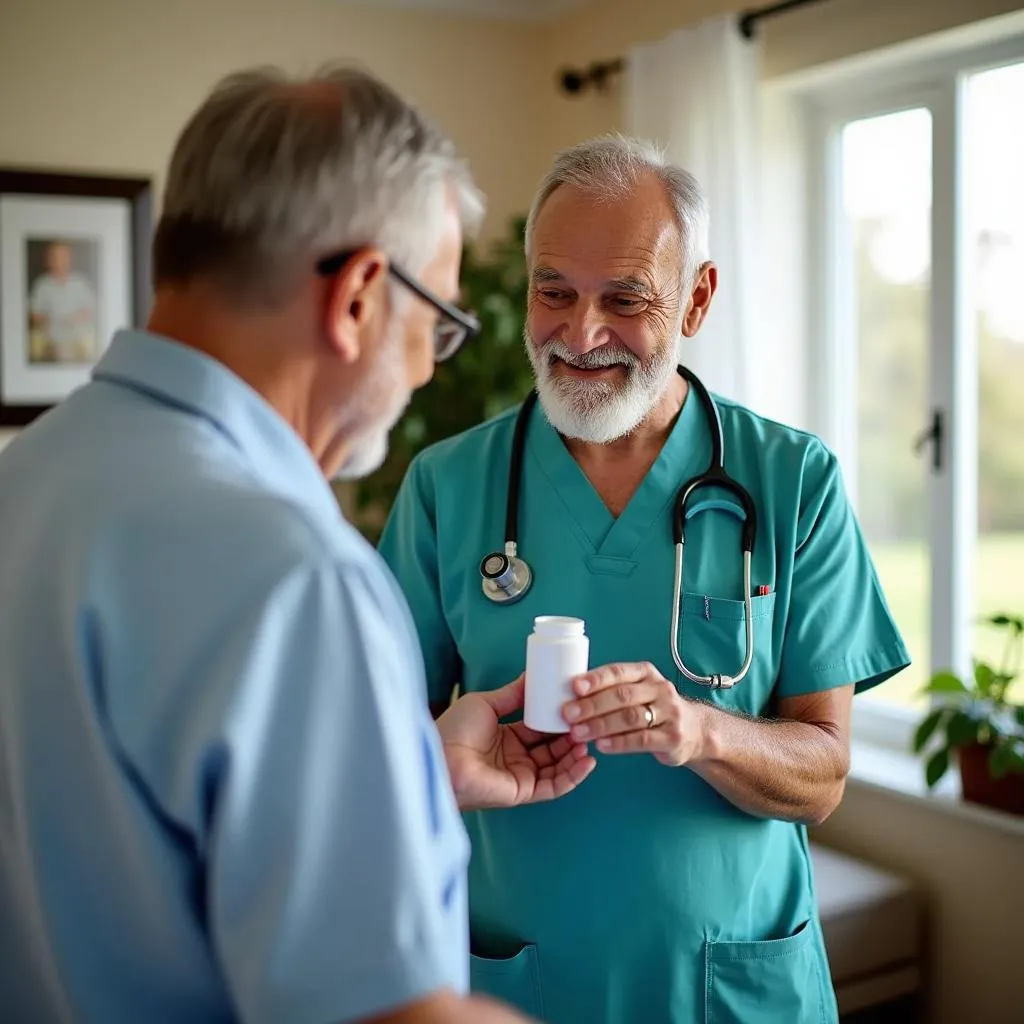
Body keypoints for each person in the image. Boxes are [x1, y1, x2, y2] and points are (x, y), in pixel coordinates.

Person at [0, 66, 596, 1024]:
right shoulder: (295, 575)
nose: (421, 372)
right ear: (360, 296)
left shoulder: (26, 482)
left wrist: (406, 768)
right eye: (435, 324)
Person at [377, 134, 912, 1024]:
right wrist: (436, 758)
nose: (581, 335)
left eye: (625, 299)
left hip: (733, 992)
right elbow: (369, 756)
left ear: (696, 298)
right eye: (554, 291)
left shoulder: (792, 481)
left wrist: (701, 732)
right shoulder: (447, 487)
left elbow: (823, 775)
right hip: (516, 987)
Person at [28, 240, 98, 362]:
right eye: (55, 257)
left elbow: (91, 312)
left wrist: (74, 319)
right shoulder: (41, 285)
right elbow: (34, 315)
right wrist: (50, 320)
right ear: (49, 260)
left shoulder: (81, 283)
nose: (59, 261)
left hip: (78, 336)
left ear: (70, 259)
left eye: (63, 257)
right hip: (50, 337)